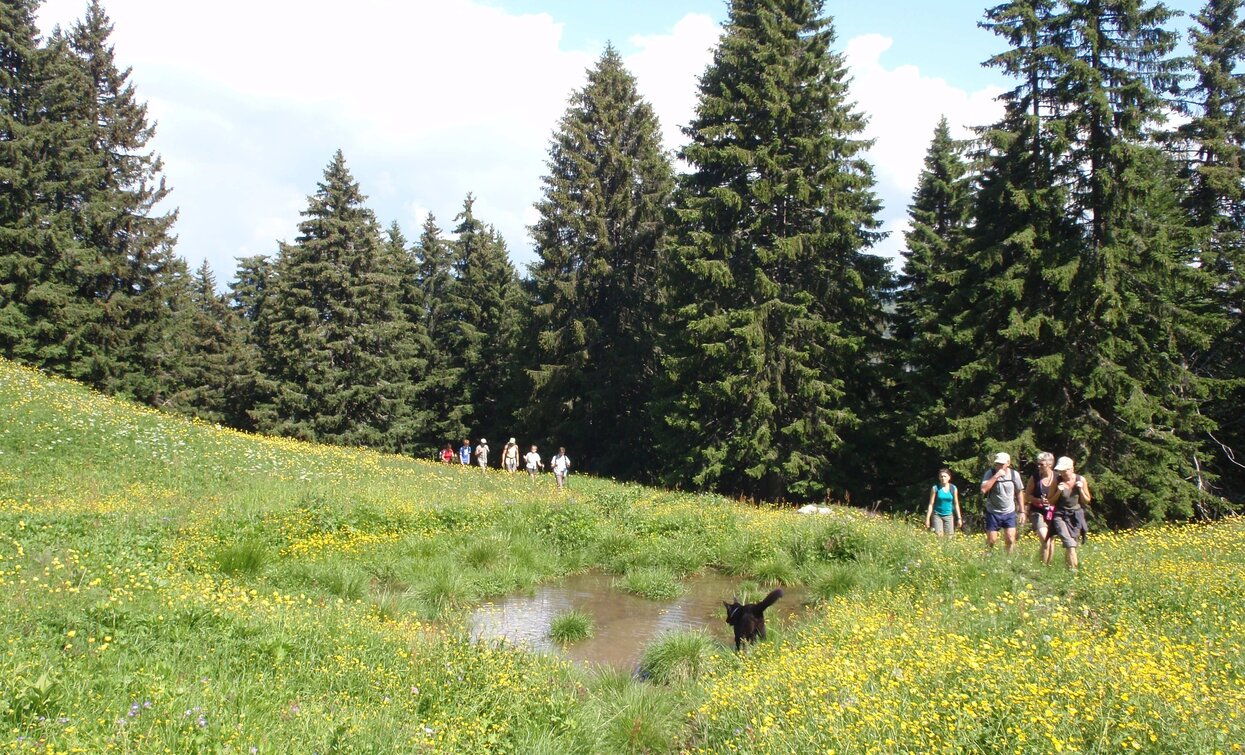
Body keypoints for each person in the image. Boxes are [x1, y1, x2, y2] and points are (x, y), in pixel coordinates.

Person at [1051, 456, 1091, 570]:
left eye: (1065, 471)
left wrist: (1081, 490)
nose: (1062, 473)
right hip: (1060, 515)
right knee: (1070, 544)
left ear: (1072, 469)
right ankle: (1075, 571)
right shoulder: (1057, 481)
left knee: (1073, 543)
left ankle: (1068, 568)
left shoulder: (1081, 480)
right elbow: (1050, 501)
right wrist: (1059, 491)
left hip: (1076, 515)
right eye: (1060, 471)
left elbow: (1086, 500)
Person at [980, 451, 1023, 554]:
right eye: (997, 464)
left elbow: (1019, 492)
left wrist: (1022, 511)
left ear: (1008, 463)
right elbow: (983, 490)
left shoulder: (1014, 474)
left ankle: (1008, 560)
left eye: (1002, 464)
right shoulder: (990, 473)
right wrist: (996, 476)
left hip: (1009, 512)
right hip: (993, 511)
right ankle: (987, 556)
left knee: (1010, 539)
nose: (999, 466)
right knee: (992, 540)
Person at [1024, 452, 1057, 564]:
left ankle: (1047, 566)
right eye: (1038, 464)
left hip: (1052, 512)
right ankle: (1042, 565)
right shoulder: (1035, 477)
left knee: (1051, 540)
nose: (1039, 466)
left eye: (1041, 464)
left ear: (1050, 464)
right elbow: (1027, 496)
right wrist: (1039, 501)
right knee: (1045, 539)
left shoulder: (1057, 478)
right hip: (1037, 511)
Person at [924, 468, 961, 536]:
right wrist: (927, 519)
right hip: (937, 515)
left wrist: (959, 518)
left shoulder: (953, 488)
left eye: (945, 476)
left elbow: (956, 504)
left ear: (949, 477)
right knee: (939, 536)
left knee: (949, 537)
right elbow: (931, 504)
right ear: (939, 477)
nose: (943, 478)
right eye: (941, 476)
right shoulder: (935, 488)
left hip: (949, 515)